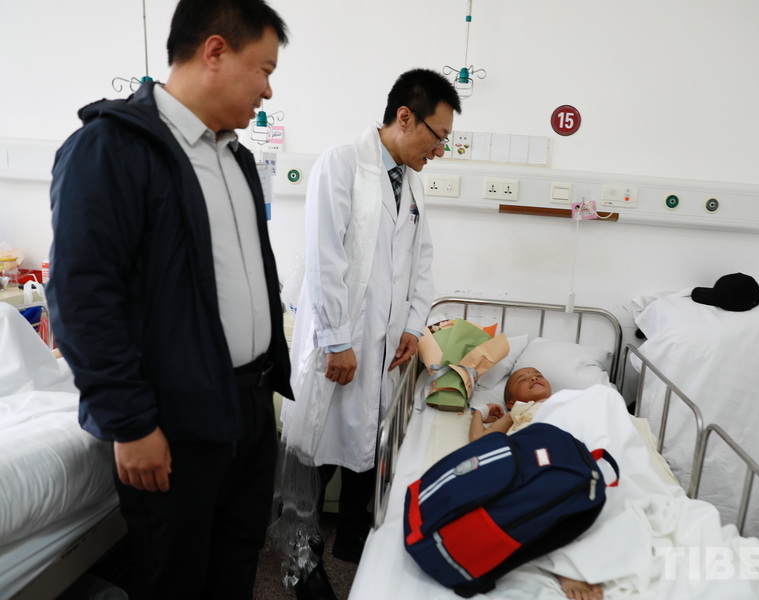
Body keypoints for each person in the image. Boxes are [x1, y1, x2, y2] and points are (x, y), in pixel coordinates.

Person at [46, 1, 292, 598]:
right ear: (215, 51)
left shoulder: (235, 158)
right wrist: (129, 424)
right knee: (174, 577)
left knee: (235, 565)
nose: (267, 89)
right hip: (174, 420)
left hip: (250, 405)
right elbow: (82, 296)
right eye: (263, 69)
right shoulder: (111, 148)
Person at [280, 68, 461, 598]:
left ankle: (350, 542)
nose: (440, 150)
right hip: (338, 344)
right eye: (438, 136)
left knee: (365, 447)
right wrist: (337, 340)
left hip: (384, 347)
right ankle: (299, 563)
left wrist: (412, 326)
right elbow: (324, 258)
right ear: (405, 117)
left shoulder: (412, 182)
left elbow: (420, 263)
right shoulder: (341, 165)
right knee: (313, 457)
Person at [469, 367, 605, 600]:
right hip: (542, 451)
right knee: (555, 493)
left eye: (538, 375)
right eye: (523, 379)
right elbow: (478, 442)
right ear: (511, 403)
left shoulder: (572, 399)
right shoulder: (519, 410)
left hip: (582, 446)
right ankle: (566, 563)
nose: (533, 378)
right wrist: (480, 412)